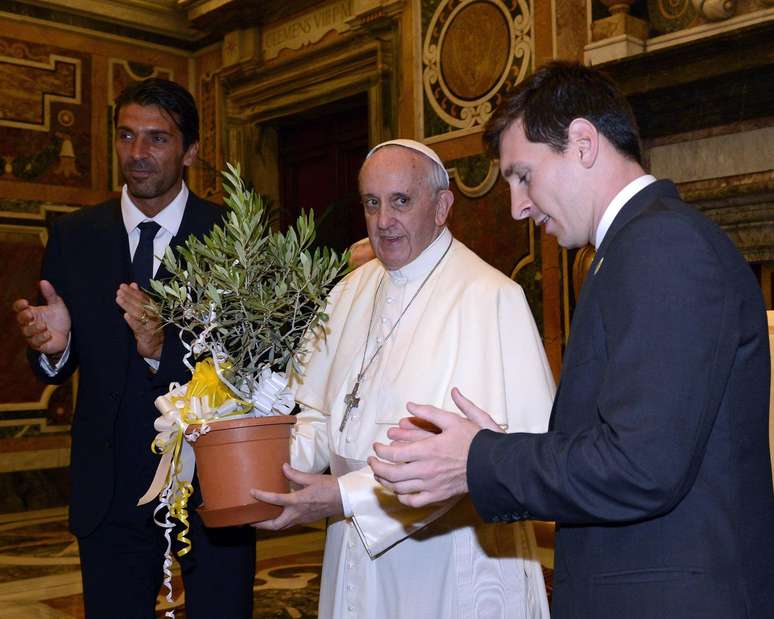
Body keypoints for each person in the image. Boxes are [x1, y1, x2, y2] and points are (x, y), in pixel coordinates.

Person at [369, 62, 774, 618]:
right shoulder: (633, 248)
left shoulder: (663, 246)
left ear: (582, 143)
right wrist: (497, 449)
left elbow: (641, 464)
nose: (517, 206)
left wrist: (481, 459)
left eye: (522, 175)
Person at [250, 139, 554, 618]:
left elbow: (490, 461)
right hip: (350, 539)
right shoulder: (348, 292)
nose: (383, 220)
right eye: (372, 202)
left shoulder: (492, 297)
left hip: (448, 556)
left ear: (442, 206)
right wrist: (277, 469)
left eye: (401, 201)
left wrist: (342, 496)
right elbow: (318, 412)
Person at [12, 78, 256, 618]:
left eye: (157, 139)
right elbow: (56, 362)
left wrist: (161, 350)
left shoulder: (232, 237)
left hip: (211, 484)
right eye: (126, 136)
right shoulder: (74, 236)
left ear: (191, 150)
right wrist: (56, 347)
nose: (138, 154)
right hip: (109, 492)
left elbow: (254, 367)